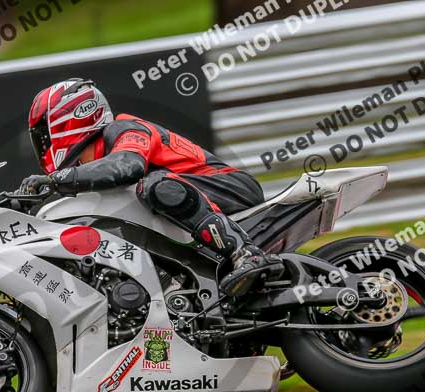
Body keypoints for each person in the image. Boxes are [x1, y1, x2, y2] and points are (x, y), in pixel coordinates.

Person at [21, 78, 282, 298]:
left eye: (44, 133)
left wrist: (58, 179)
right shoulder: (94, 167)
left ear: (68, 119)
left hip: (230, 186)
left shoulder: (123, 129)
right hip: (198, 204)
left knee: (155, 185)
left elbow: (127, 165)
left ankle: (245, 252)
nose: (42, 144)